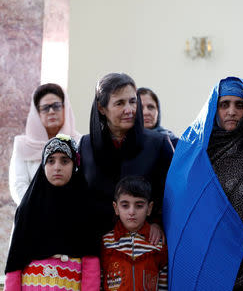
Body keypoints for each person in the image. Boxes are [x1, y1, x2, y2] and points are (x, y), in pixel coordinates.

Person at [164, 77, 243, 291]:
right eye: (224, 104)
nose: (231, 111)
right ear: (214, 108)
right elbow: (180, 210)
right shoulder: (195, 157)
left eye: (239, 105)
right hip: (208, 260)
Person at [79, 73, 173, 244]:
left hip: (145, 242)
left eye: (132, 101)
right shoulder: (86, 145)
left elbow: (172, 193)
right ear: (101, 108)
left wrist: (157, 223)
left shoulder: (158, 144)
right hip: (97, 242)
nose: (129, 110)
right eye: (119, 103)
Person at [4, 134, 100, 291]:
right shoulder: (28, 208)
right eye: (51, 160)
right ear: (43, 165)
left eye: (64, 160)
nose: (57, 167)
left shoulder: (84, 208)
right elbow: (15, 262)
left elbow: (91, 261)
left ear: (75, 164)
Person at [9, 83, 81, 204]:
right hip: (31, 214)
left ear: (65, 108)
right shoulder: (23, 145)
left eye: (56, 106)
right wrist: (40, 208)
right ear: (37, 113)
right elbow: (18, 186)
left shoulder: (79, 142)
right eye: (45, 108)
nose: (51, 111)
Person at [101, 176, 168, 291]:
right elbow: (100, 281)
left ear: (149, 208)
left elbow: (163, 284)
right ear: (116, 208)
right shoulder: (106, 242)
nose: (131, 212)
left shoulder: (157, 243)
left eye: (139, 206)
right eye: (125, 205)